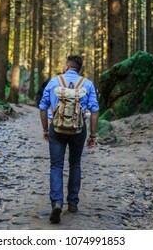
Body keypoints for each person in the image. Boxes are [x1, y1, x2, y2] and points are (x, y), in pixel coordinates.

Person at [38, 55, 99, 224]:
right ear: (79, 69)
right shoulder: (87, 84)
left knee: (56, 165)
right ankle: (72, 203)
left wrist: (45, 129)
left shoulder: (53, 81)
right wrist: (93, 135)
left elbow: (42, 107)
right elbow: (94, 111)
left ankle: (57, 202)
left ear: (66, 67)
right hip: (78, 130)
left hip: (56, 129)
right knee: (75, 163)